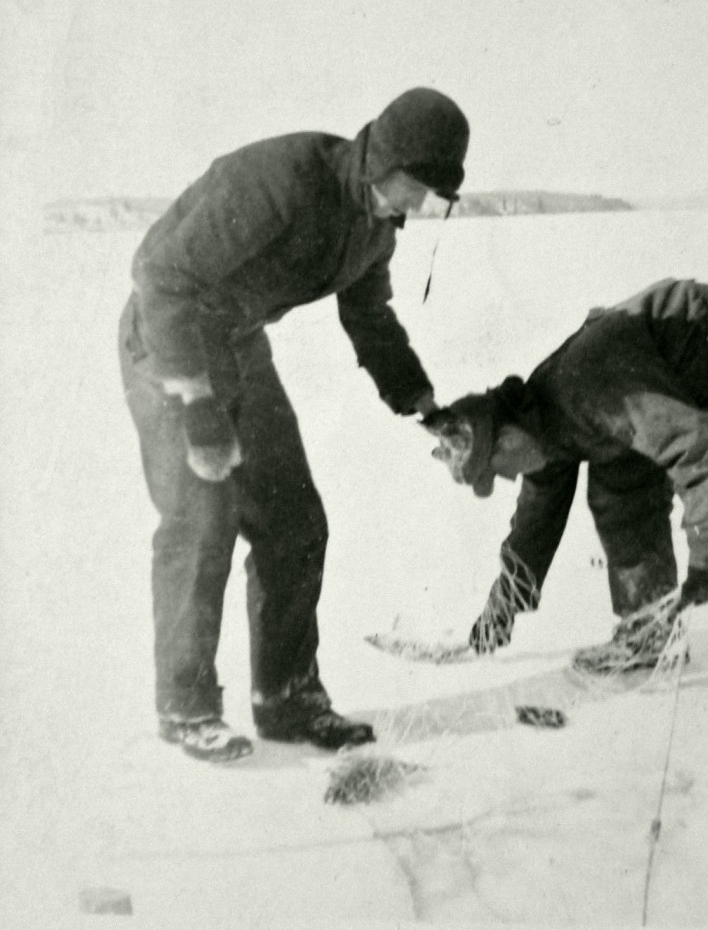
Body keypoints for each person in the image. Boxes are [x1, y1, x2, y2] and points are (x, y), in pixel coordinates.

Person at [119, 88, 470, 761]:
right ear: (383, 158)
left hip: (240, 346)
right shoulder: (285, 180)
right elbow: (159, 277)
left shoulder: (375, 225)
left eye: (432, 198)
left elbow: (368, 318)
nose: (417, 208)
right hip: (167, 343)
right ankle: (186, 707)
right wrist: (196, 404)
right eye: (414, 188)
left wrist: (422, 404)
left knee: (294, 523)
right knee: (203, 521)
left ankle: (287, 699)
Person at [426, 277, 708, 717]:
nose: (503, 481)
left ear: (506, 440)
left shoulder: (587, 390)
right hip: (667, 387)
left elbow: (695, 448)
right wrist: (500, 612)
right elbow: (535, 524)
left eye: (494, 472)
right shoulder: (540, 429)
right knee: (618, 493)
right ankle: (647, 634)